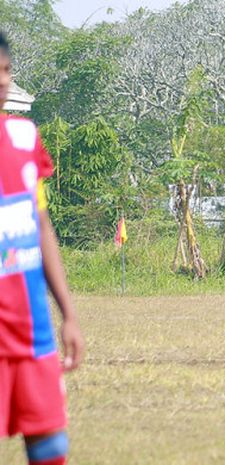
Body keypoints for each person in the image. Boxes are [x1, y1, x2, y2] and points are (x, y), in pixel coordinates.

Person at [0, 31, 84, 465]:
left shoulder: (23, 138)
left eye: (6, 70)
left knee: (51, 448)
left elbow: (42, 226)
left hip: (32, 332)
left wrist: (68, 313)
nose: (1, 80)